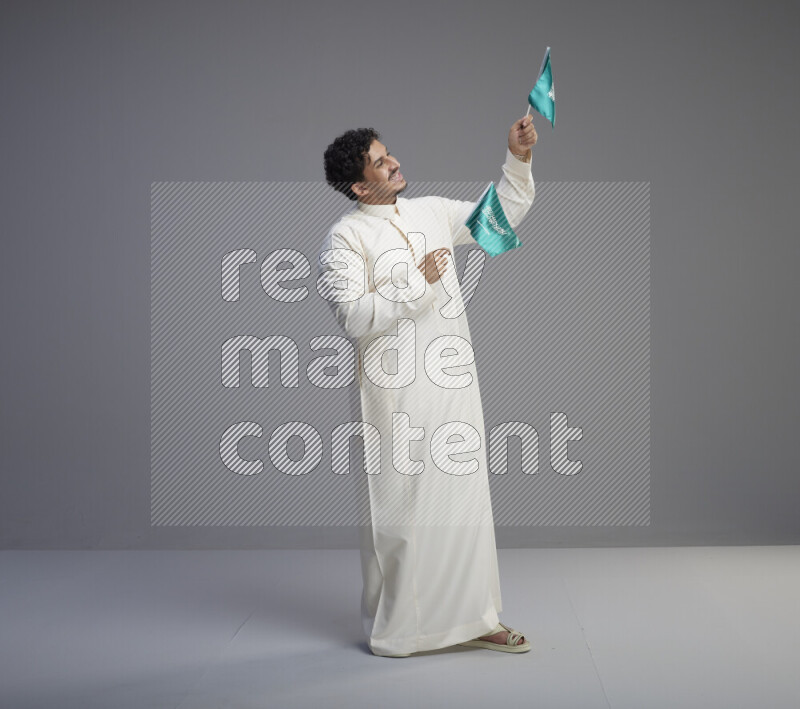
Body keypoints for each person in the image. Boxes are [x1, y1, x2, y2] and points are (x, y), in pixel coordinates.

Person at [318, 116, 538, 657]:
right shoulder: (345, 237)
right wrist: (419, 280)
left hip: (453, 383)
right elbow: (353, 316)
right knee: (403, 510)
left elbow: (498, 219)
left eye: (389, 152)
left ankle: (478, 619)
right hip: (394, 393)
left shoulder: (431, 212)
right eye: (379, 160)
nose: (393, 162)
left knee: (465, 503)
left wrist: (517, 158)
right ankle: (404, 630)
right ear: (359, 185)